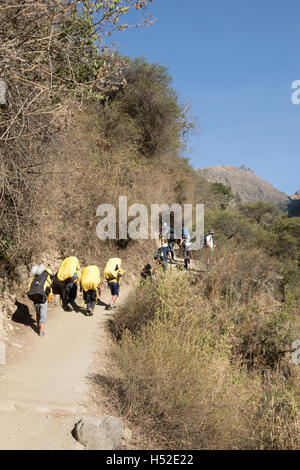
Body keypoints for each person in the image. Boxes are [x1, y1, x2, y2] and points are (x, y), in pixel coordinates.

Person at [27, 265, 54, 336]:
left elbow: (28, 289)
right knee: (43, 316)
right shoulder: (46, 281)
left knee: (38, 314)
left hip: (35, 300)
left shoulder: (34, 279)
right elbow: (50, 294)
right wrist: (48, 299)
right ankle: (41, 332)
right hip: (43, 300)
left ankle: (38, 327)